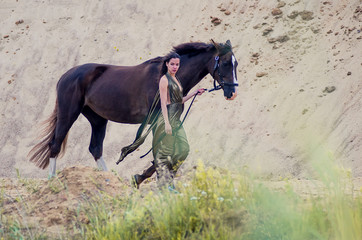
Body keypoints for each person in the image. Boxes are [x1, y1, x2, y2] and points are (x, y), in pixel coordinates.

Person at [119, 52, 205, 190]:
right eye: (172, 64)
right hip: (168, 118)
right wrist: (166, 123)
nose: (175, 67)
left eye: (177, 64)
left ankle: (154, 176)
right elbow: (164, 104)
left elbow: (179, 100)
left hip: (176, 119)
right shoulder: (164, 80)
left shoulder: (176, 79)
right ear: (167, 64)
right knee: (166, 153)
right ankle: (165, 185)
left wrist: (194, 93)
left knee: (184, 149)